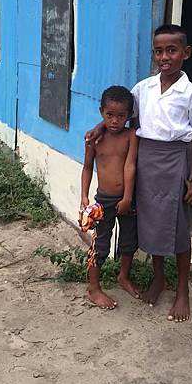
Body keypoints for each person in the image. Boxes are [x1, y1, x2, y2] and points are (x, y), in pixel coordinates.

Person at [86, 25, 192, 322]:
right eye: (159, 51)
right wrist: (99, 127)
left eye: (172, 50)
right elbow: (120, 115)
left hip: (175, 161)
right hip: (145, 160)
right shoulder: (143, 89)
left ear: (186, 53)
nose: (165, 57)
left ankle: (182, 290)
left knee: (178, 225)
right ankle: (158, 277)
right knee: (153, 222)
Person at [81, 85, 139, 310]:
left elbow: (130, 165)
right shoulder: (94, 140)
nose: (115, 121)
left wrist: (127, 197)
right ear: (101, 112)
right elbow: (87, 168)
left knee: (129, 241)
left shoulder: (131, 136)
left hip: (127, 199)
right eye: (109, 115)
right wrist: (84, 197)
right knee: (100, 244)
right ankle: (94, 288)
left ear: (129, 116)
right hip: (103, 201)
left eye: (121, 116)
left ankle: (123, 276)